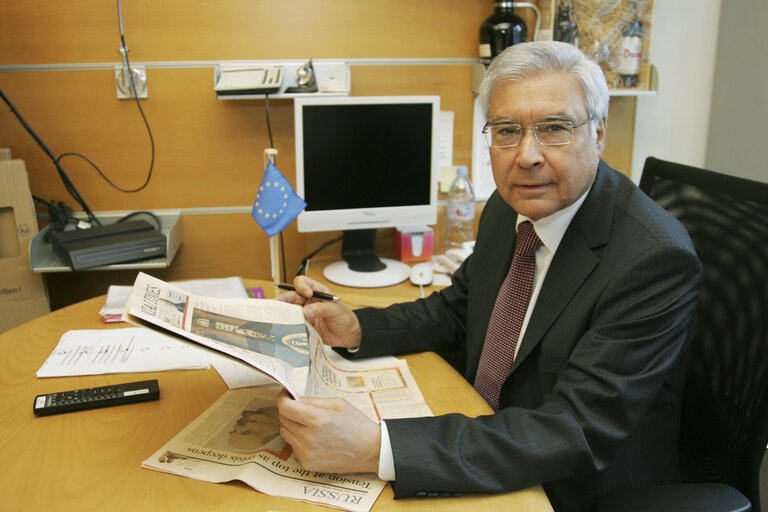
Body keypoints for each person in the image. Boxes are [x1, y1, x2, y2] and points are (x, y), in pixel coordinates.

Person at [276, 41, 702, 511]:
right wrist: (356, 327)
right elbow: (458, 308)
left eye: (554, 128)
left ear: (598, 134)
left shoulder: (653, 259)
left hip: (573, 488)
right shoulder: (509, 206)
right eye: (506, 131)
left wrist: (377, 447)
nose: (526, 156)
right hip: (491, 437)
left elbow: (572, 429)